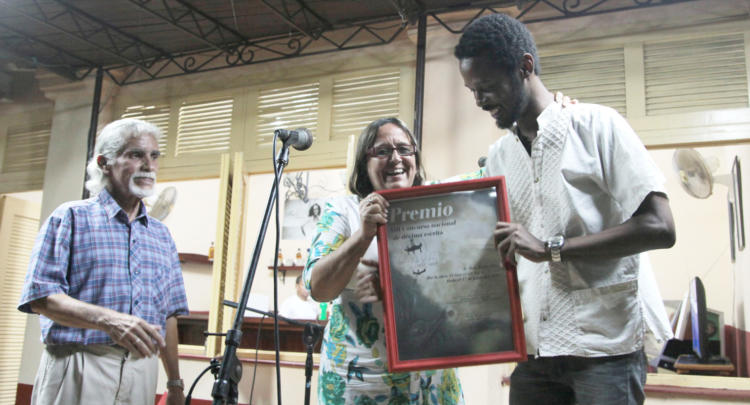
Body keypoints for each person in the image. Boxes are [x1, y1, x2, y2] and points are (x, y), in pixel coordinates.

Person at [453, 14, 676, 405]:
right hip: (535, 353)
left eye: (486, 87)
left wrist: (551, 249)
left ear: (524, 67)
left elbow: (660, 226)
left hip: (604, 349)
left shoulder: (597, 126)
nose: (479, 101)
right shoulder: (499, 157)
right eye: (472, 90)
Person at [18, 118, 189, 405]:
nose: (149, 165)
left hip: (141, 371)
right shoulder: (70, 217)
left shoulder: (161, 235)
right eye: (136, 154)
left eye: (154, 155)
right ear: (104, 163)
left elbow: (168, 314)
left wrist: (174, 383)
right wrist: (109, 321)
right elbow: (41, 297)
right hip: (80, 363)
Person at [304, 117, 464, 404]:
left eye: (404, 149)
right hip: (363, 382)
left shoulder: (438, 207)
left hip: (432, 379)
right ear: (364, 163)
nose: (396, 158)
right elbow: (319, 288)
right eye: (382, 151)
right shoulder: (343, 211)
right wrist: (363, 235)